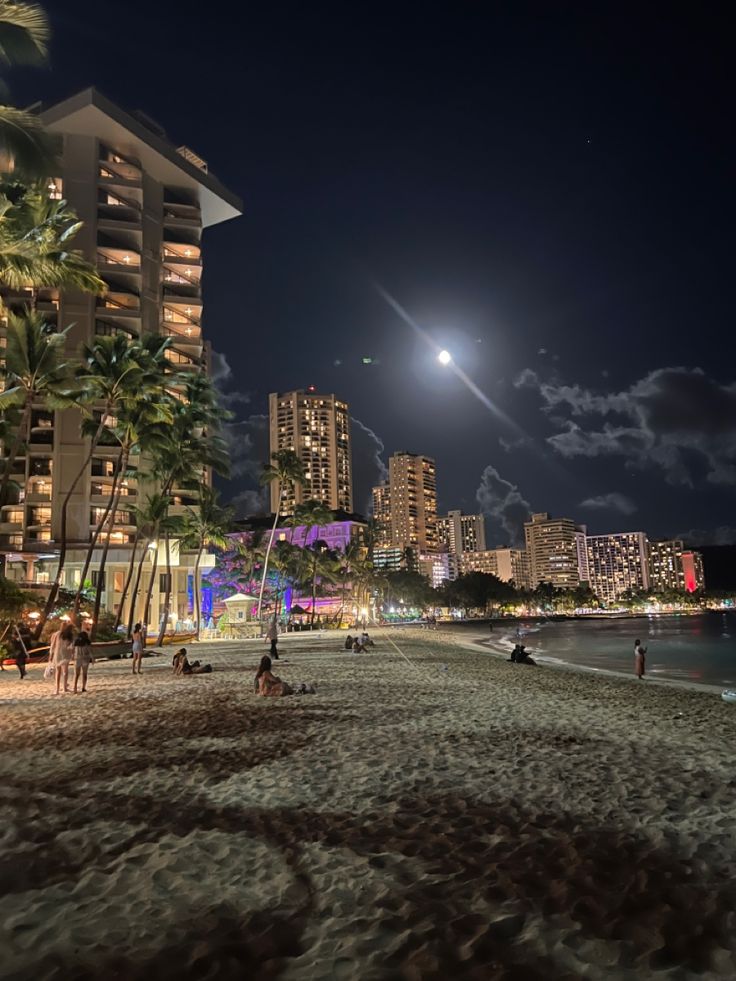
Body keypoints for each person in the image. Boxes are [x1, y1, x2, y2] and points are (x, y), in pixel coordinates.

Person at [49, 624, 75, 694]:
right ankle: (64, 688)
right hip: (65, 654)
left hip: (58, 654)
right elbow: (71, 646)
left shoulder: (57, 634)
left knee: (58, 671)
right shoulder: (69, 635)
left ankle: (58, 689)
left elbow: (53, 644)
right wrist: (72, 653)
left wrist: (51, 654)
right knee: (65, 672)